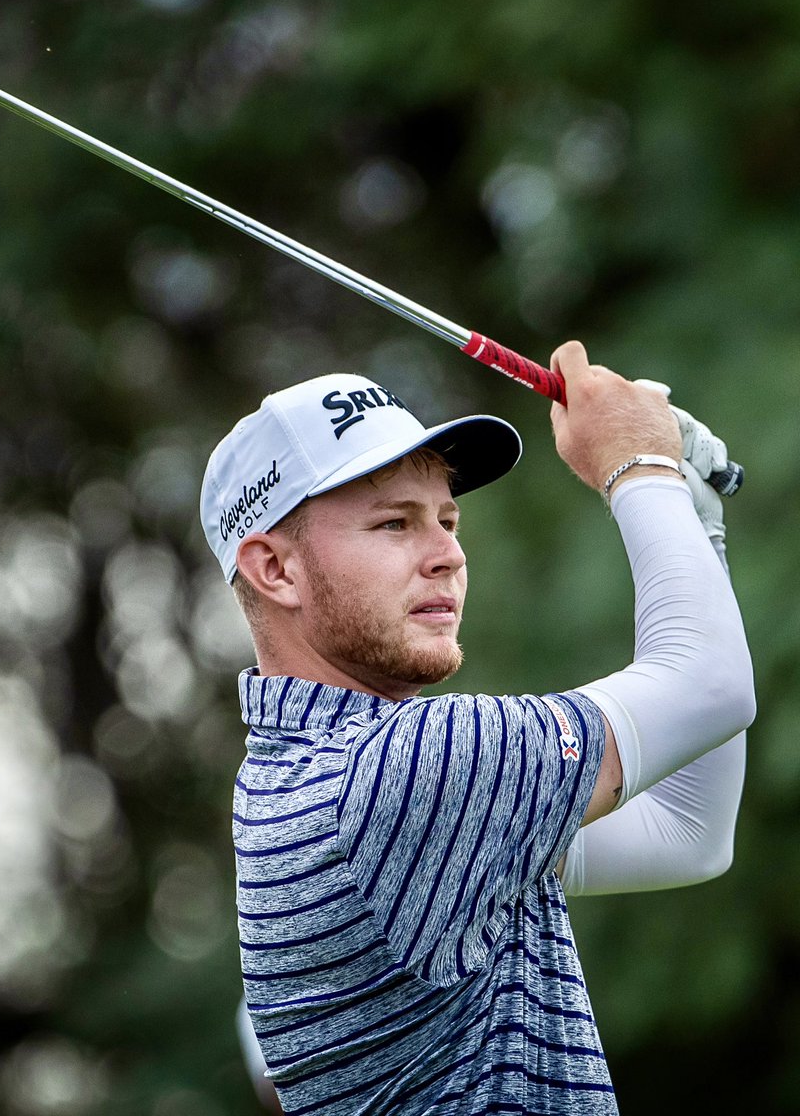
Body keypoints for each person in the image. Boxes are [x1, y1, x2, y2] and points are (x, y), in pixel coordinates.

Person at [200, 341, 755, 1115]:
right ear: (276, 570)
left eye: (448, 519)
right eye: (395, 524)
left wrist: (696, 522)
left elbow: (687, 832)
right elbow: (711, 685)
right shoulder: (397, 772)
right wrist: (638, 467)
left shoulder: (299, 780)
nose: (448, 555)